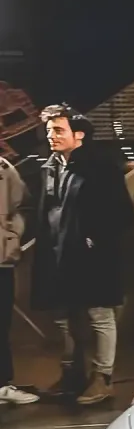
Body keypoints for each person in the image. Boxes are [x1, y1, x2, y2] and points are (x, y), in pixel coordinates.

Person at [30, 104, 134, 406]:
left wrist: (94, 240)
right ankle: (72, 374)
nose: (51, 135)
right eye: (49, 130)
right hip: (57, 252)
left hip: (92, 255)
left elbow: (123, 214)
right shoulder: (51, 167)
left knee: (99, 314)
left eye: (58, 129)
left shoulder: (100, 167)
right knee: (62, 315)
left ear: (79, 134)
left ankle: (103, 378)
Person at [0, 154, 38, 405]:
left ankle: (2, 384)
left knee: (1, 324)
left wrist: (10, 238)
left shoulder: (4, 169)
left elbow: (22, 205)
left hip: (0, 259)